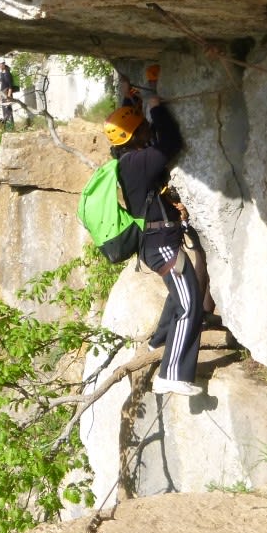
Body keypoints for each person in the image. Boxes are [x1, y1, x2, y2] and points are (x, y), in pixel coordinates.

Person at [104, 93, 205, 397]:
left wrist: (133, 94)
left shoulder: (129, 159)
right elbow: (171, 141)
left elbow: (146, 136)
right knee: (190, 305)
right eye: (143, 127)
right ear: (135, 136)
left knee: (181, 295)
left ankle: (159, 341)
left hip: (157, 241)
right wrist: (158, 108)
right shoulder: (138, 163)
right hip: (160, 244)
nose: (149, 129)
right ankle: (172, 374)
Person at [0, 61, 15, 129]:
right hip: (3, 93)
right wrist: (0, 95)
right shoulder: (1, 73)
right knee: (4, 111)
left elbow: (10, 86)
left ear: (3, 64)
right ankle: (7, 128)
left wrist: (9, 96)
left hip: (7, 94)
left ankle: (10, 128)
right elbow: (2, 85)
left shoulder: (8, 74)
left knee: (8, 111)